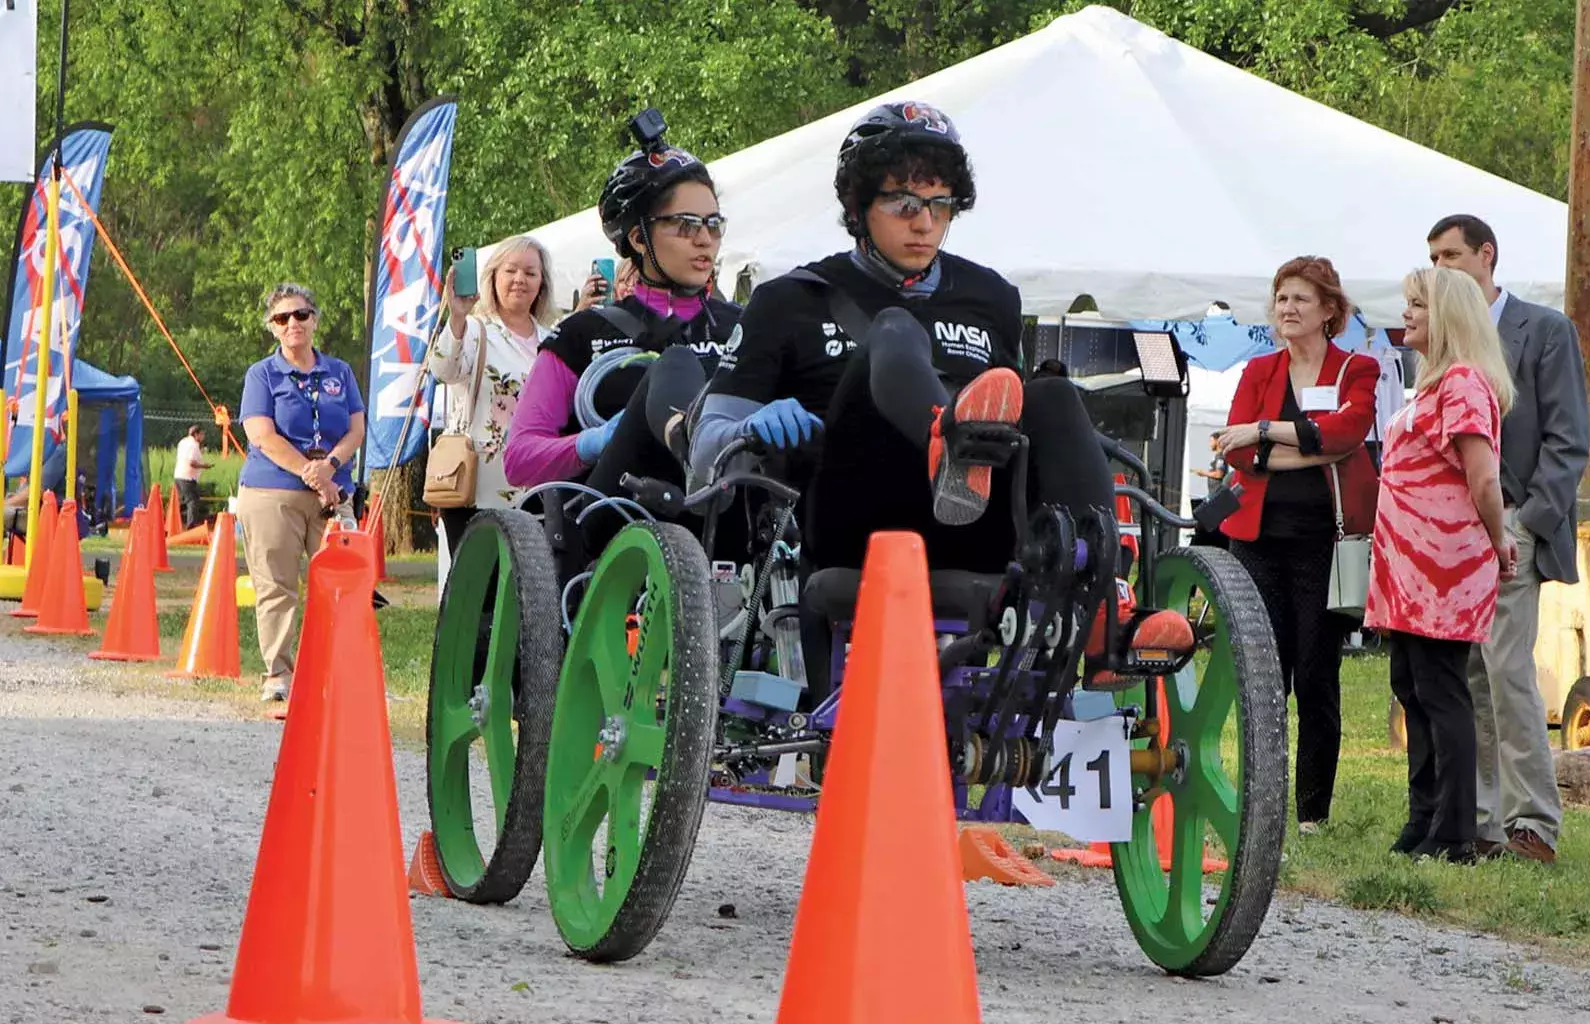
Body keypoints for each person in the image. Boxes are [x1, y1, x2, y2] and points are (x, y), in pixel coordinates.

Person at [690, 101, 1192, 691]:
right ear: (858, 208)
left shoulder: (992, 298)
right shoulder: (790, 299)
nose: (924, 223)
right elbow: (705, 453)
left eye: (940, 204)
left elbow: (1025, 422)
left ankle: (1108, 619)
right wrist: (751, 428)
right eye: (903, 204)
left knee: (1053, 394)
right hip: (856, 515)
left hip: (973, 519)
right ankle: (946, 437)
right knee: (895, 329)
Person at [1428, 214, 1590, 864]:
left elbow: (1568, 440)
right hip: (1452, 535)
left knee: (1507, 670)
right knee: (1467, 677)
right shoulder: (1443, 342)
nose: (1440, 269)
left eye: (1451, 255)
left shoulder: (1543, 329)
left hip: (1515, 527)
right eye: (1432, 258)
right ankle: (1484, 823)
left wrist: (1525, 524)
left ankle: (1534, 824)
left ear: (1486, 256)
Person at [1214, 256, 1380, 834]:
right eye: (1281, 298)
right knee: (1264, 677)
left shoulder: (1357, 368)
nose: (1287, 309)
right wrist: (1312, 449)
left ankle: (1312, 813)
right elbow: (1233, 452)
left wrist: (1265, 432)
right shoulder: (1259, 371)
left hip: (1326, 543)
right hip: (1258, 541)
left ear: (1329, 310)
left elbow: (1348, 431)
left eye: (1300, 300)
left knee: (1315, 676)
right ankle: (1261, 808)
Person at [503, 110, 740, 509]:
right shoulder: (581, 334)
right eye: (685, 224)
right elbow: (518, 459)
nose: (704, 240)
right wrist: (592, 442)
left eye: (713, 223)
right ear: (638, 237)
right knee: (676, 363)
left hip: (725, 525)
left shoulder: (742, 327)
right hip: (615, 527)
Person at [1366, 266, 1517, 863]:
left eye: (1417, 306)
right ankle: (1422, 818)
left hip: (1442, 569)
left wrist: (1500, 538)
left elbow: (1483, 477)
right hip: (1408, 569)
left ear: (1449, 317)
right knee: (1412, 685)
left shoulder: (1463, 385)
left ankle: (1454, 831)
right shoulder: (1432, 386)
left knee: (1440, 689)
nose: (1406, 314)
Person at [238, 283, 366, 703]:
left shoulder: (340, 372)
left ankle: (342, 670)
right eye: (282, 318)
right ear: (272, 328)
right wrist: (311, 474)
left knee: (344, 582)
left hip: (333, 494)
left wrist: (329, 469)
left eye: (300, 315)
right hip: (273, 490)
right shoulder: (262, 374)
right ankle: (278, 672)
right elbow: (261, 434)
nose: (292, 323)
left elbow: (356, 429)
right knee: (277, 584)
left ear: (314, 320)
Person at [433, 235, 558, 551]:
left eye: (530, 273)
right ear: (493, 277)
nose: (520, 280)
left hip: (537, 486)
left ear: (541, 283)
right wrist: (457, 315)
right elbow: (443, 370)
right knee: (479, 590)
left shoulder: (554, 339)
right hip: (476, 484)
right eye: (511, 271)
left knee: (528, 587)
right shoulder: (476, 330)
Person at [173, 424, 211, 529]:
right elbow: (192, 463)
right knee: (193, 501)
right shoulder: (193, 445)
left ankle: (172, 522)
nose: (203, 437)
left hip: (178, 475)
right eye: (202, 434)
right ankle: (191, 526)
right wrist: (204, 466)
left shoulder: (183, 442)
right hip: (187, 477)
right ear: (196, 434)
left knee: (182, 502)